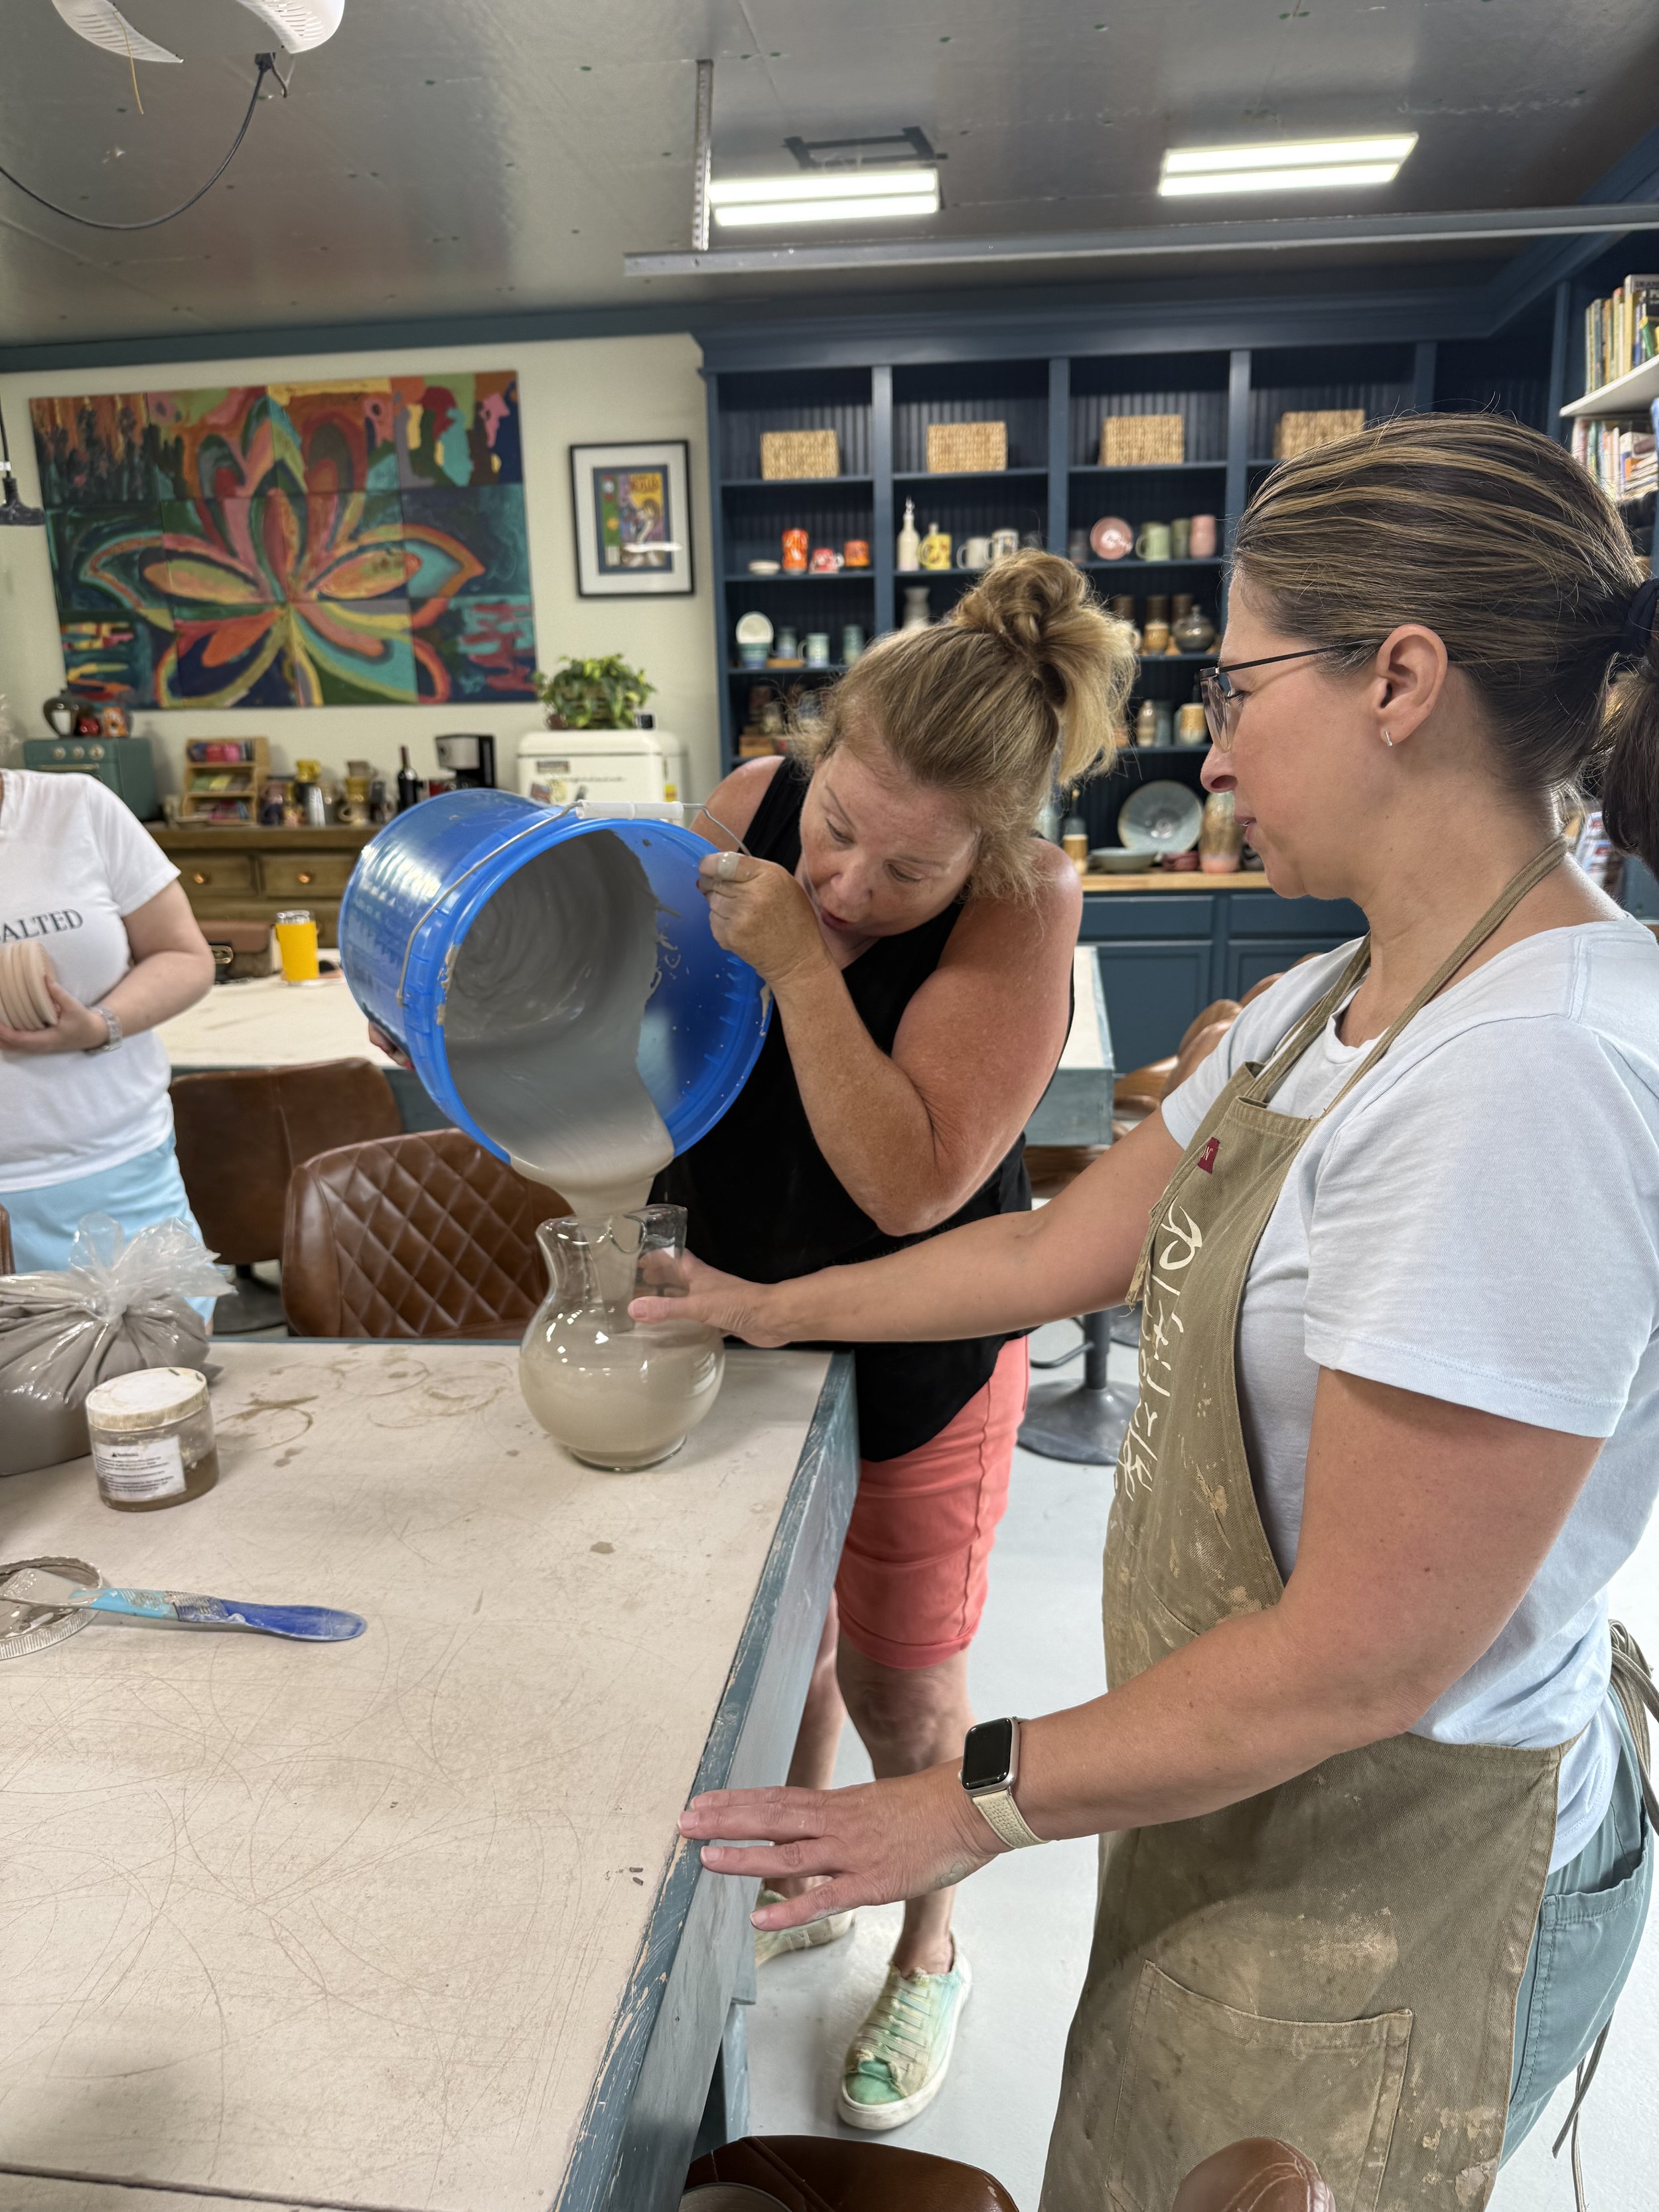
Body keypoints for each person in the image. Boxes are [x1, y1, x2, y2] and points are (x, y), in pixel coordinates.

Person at [634, 417, 1659, 2209]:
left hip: (1392, 1857)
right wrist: (767, 1297)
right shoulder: (1330, 999)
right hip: (1243, 1803)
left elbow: (1363, 1653)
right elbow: (1044, 1253)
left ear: (1396, 681)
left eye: (1242, 678)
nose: (1210, 738)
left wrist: (955, 1798)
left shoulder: (1529, 1071)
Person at [658, 552, 1135, 2128]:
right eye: (837, 831)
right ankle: (814, 1862)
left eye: (905, 872)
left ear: (988, 855)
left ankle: (931, 1939)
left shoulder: (1031, 896)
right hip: (738, 1312)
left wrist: (801, 960)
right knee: (763, 1641)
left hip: (921, 1350)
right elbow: (635, 1003)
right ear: (820, 747)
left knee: (902, 1675)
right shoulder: (755, 794)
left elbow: (913, 1178)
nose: (851, 881)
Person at [0, 766, 216, 1271]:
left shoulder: (76, 806)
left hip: (116, 1175)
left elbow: (184, 956)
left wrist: (99, 1025)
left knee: (158, 1350)